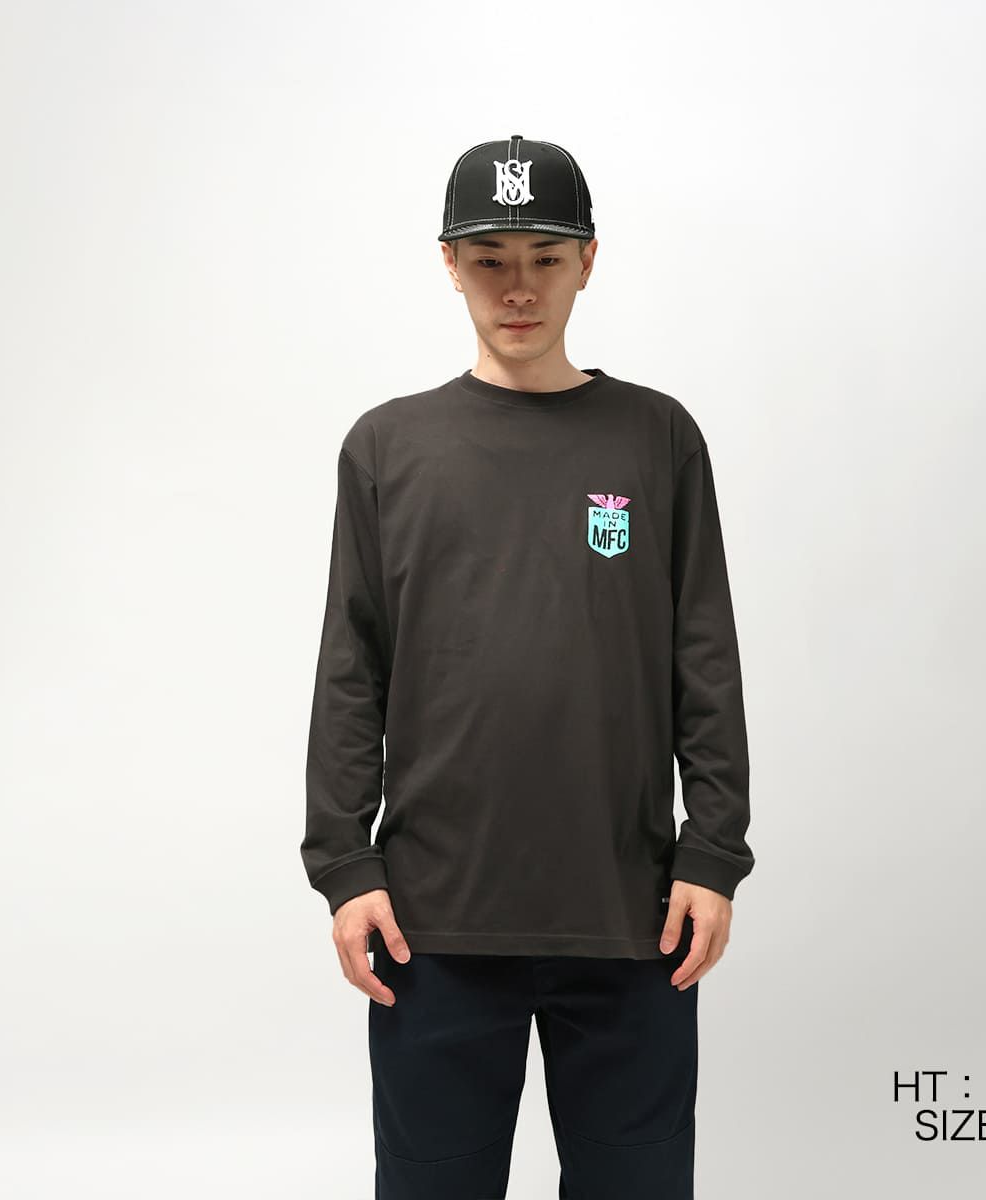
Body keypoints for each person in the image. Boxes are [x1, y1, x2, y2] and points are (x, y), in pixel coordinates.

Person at [301, 134, 755, 1199]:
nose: (518, 286)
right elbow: (351, 671)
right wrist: (346, 866)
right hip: (433, 921)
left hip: (633, 913)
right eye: (490, 258)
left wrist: (712, 851)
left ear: (588, 261)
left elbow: (705, 654)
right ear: (449, 263)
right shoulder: (388, 448)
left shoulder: (656, 437)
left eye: (545, 258)